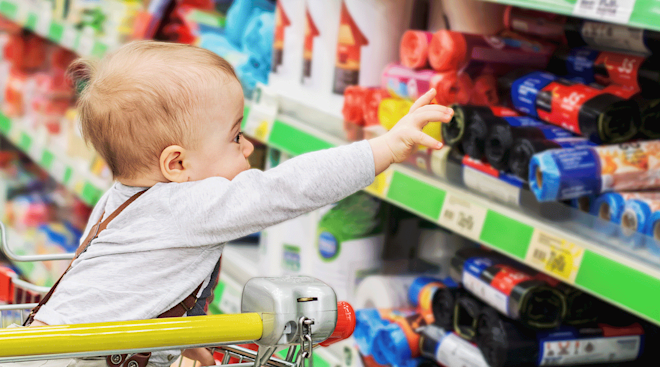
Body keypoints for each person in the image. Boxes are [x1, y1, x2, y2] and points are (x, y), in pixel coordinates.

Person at [21, 40, 452, 367]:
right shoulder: (190, 205)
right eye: (234, 136)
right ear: (177, 163)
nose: (247, 147)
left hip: (43, 346)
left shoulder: (119, 198)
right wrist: (385, 149)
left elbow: (127, 285)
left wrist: (181, 337)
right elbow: (292, 188)